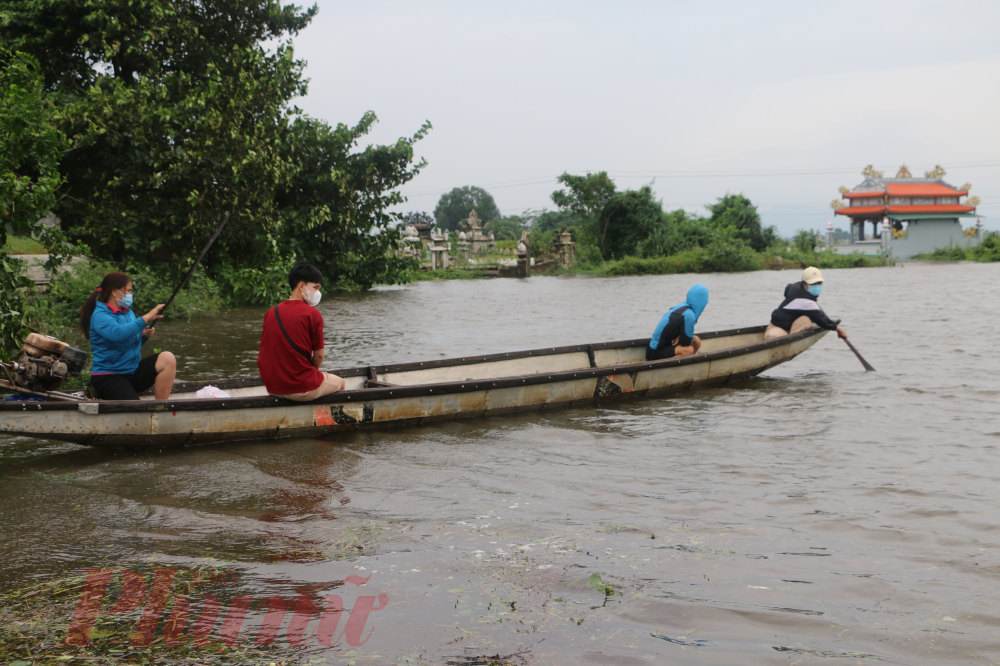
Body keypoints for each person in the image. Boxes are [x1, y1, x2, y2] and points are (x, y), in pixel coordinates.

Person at [79, 272, 177, 401]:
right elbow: (118, 334)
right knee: (135, 410)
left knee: (167, 358)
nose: (131, 294)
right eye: (129, 290)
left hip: (132, 372)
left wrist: (143, 335)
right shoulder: (99, 315)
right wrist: (146, 317)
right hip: (109, 377)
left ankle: (161, 407)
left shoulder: (128, 312)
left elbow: (128, 341)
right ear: (115, 291)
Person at [257, 261, 345, 400]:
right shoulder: (312, 314)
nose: (317, 293)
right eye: (315, 287)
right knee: (341, 383)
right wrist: (309, 375)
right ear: (302, 286)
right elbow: (319, 356)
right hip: (302, 387)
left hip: (273, 388)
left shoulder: (270, 312)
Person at [765, 266, 847, 340]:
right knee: (775, 340)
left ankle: (792, 338)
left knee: (806, 319)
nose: (817, 286)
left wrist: (811, 298)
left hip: (792, 326)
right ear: (805, 284)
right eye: (814, 284)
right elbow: (822, 320)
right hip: (778, 328)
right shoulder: (807, 302)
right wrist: (839, 330)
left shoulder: (796, 286)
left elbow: (788, 288)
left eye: (819, 283)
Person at [646, 284, 709, 361]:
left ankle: (686, 364)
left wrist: (678, 336)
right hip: (655, 352)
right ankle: (663, 369)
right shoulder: (689, 315)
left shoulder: (682, 306)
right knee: (688, 350)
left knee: (696, 340)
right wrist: (680, 338)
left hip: (667, 345)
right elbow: (686, 342)